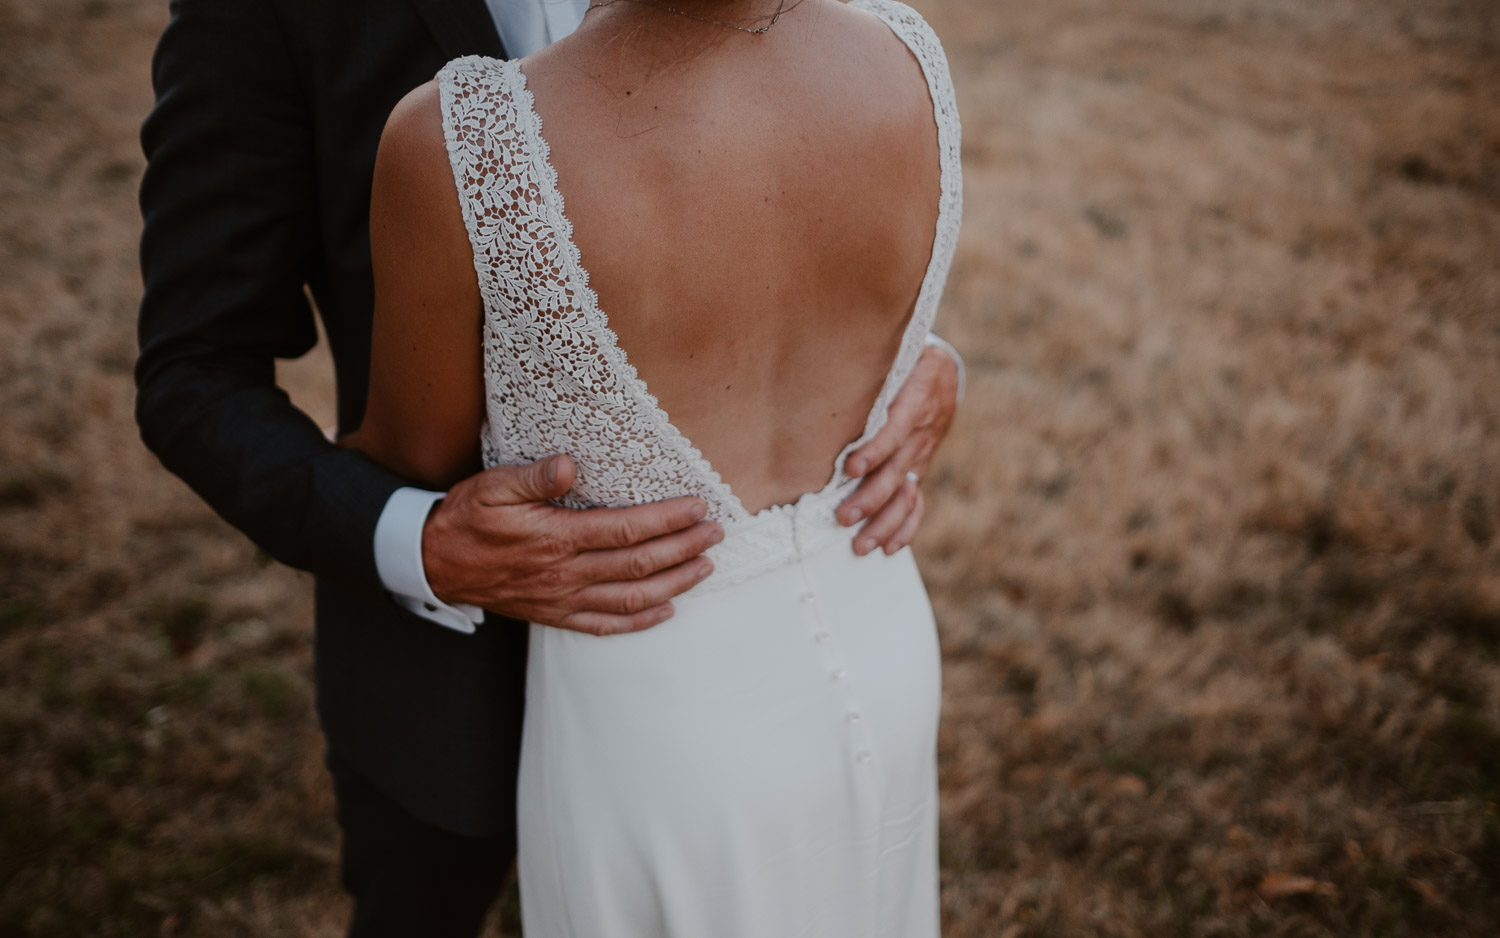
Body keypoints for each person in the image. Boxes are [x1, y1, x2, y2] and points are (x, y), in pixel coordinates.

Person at [134, 0, 961, 934]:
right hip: (441, 690)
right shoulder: (903, 43)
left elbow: (799, 191)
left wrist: (916, 356)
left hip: (691, 685)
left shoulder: (854, 36)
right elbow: (193, 371)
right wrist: (413, 541)